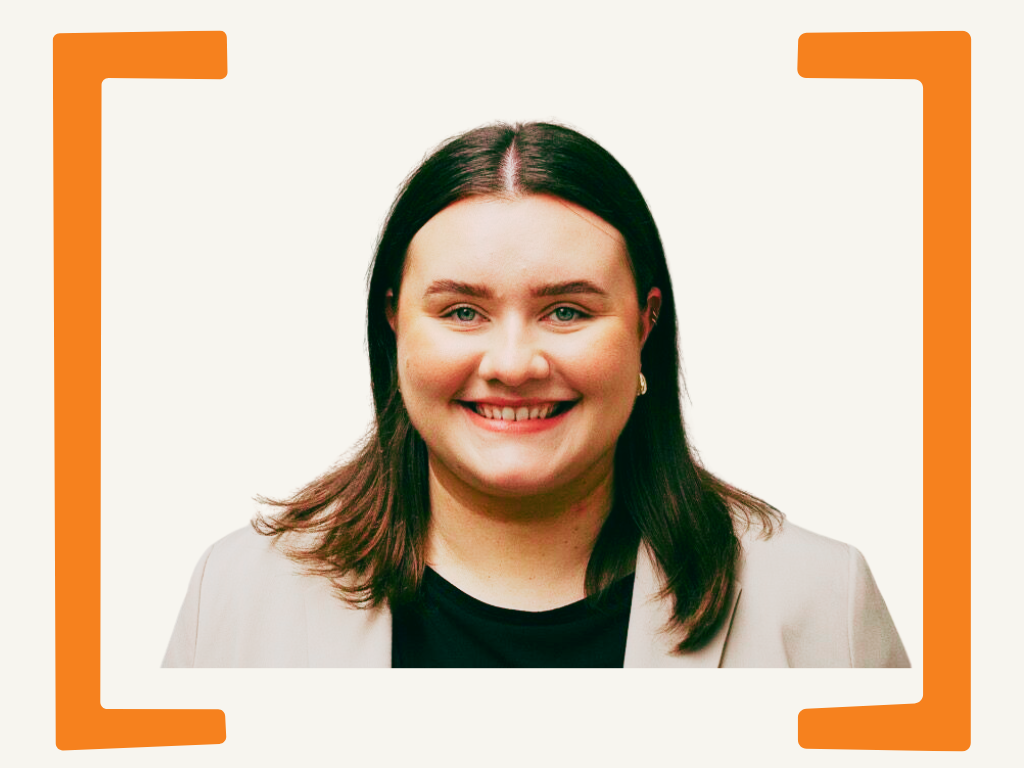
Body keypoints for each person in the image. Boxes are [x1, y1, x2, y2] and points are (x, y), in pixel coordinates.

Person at [163, 122, 910, 668]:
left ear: (645, 324)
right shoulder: (237, 594)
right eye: (462, 312)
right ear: (394, 323)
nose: (514, 364)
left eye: (568, 311)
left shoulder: (820, 602)